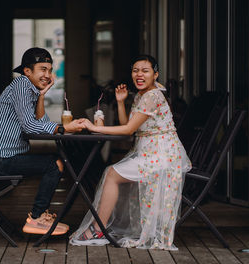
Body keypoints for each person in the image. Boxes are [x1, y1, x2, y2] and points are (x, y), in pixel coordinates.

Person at [70, 55, 192, 250]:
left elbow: (127, 131)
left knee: (111, 174)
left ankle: (97, 228)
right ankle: (98, 227)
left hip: (161, 155)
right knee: (111, 173)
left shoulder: (152, 96)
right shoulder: (143, 95)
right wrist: (120, 102)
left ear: (155, 74)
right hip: (152, 153)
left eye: (145, 70)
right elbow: (130, 126)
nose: (139, 74)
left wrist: (96, 127)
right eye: (135, 70)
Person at [0, 47, 85, 236]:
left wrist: (42, 94)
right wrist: (63, 128)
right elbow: (31, 126)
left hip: (5, 158)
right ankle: (37, 218)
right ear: (27, 71)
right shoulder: (21, 84)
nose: (47, 74)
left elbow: (40, 122)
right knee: (55, 164)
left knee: (55, 161)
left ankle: (40, 216)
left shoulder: (29, 89)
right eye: (42, 69)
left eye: (49, 70)